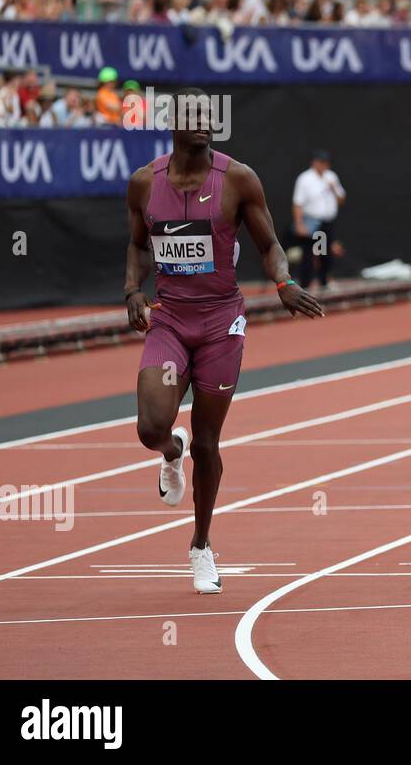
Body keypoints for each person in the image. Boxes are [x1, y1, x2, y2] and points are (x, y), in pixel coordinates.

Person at [124, 88, 323, 594]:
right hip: (170, 320)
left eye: (209, 116)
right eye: (192, 116)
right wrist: (132, 289)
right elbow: (137, 245)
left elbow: (270, 244)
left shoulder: (237, 179)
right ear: (172, 123)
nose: (204, 123)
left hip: (220, 325)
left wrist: (284, 282)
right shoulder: (144, 183)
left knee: (209, 441)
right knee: (151, 426)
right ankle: (172, 451)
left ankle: (201, 546)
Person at [291, 149, 346, 291]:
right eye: (321, 162)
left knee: (325, 254)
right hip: (311, 222)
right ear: (314, 162)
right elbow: (298, 203)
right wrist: (299, 224)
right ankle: (305, 286)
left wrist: (334, 189)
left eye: (326, 162)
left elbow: (341, 200)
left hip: (326, 223)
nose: (324, 165)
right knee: (308, 254)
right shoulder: (305, 179)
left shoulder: (331, 177)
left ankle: (324, 283)